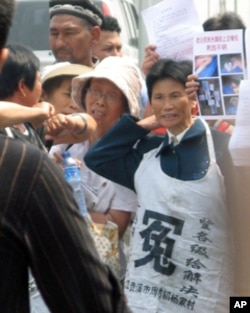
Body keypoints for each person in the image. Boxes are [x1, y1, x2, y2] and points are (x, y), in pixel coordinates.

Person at [0, 1, 131, 312]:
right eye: (53, 33)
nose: (59, 43)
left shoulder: (34, 155)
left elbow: (89, 124)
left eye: (108, 95)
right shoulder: (25, 163)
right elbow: (87, 293)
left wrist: (71, 121)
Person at [84, 58, 237, 312]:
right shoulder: (148, 154)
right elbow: (97, 157)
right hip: (149, 299)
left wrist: (242, 303)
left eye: (175, 95)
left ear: (192, 97)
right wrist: (151, 122)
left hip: (209, 297)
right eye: (159, 97)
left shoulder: (222, 149)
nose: (167, 105)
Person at [46, 56, 142, 280]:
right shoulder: (67, 142)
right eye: (95, 91)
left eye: (111, 95)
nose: (99, 101)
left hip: (98, 269)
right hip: (57, 260)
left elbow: (115, 225)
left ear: (126, 106)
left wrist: (63, 201)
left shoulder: (129, 156)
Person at [0, 43, 48, 151]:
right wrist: (39, 112)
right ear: (22, 86)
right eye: (39, 80)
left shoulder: (30, 125)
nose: (42, 89)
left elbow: (87, 129)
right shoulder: (4, 131)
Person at [49, 0, 103, 67]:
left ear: (94, 35)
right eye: (54, 34)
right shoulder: (42, 76)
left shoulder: (109, 76)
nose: (59, 44)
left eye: (69, 34)